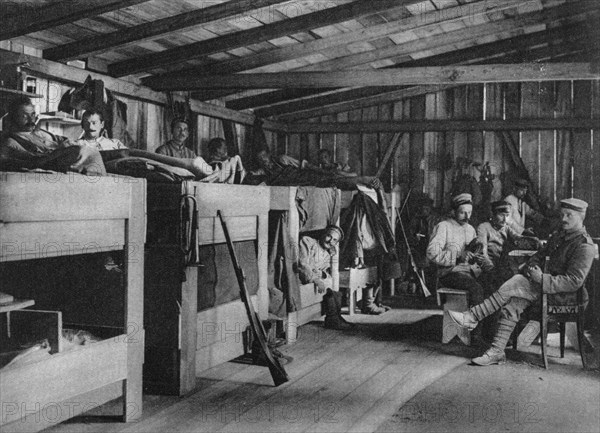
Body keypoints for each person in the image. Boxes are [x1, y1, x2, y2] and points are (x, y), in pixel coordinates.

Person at [448, 198, 595, 366]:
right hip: (544, 290)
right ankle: (496, 351)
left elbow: (574, 281)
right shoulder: (559, 236)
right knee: (513, 303)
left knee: (517, 281)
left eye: (569, 215)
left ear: (581, 217)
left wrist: (541, 278)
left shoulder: (584, 245)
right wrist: (531, 266)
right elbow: (538, 255)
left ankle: (473, 316)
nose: (563, 219)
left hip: (567, 297)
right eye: (562, 214)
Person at [426, 193, 486, 343]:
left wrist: (476, 257)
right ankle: (476, 335)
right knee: (476, 289)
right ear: (453, 211)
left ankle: (489, 332)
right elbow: (431, 253)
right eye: (462, 212)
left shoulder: (470, 229)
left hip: (468, 272)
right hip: (449, 273)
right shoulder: (443, 227)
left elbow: (471, 256)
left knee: (492, 284)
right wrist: (457, 256)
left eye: (470, 212)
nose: (467, 216)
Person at [0, 96, 106, 176]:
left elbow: (62, 139)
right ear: (13, 118)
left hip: (65, 152)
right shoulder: (11, 141)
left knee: (120, 154)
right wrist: (59, 150)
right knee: (82, 151)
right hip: (54, 159)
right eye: (24, 116)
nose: (31, 120)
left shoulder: (40, 132)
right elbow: (33, 161)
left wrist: (69, 143)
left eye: (32, 114)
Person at [476, 200, 539, 290]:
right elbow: (482, 254)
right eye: (501, 215)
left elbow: (518, 238)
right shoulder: (484, 227)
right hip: (486, 270)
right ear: (493, 215)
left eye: (507, 215)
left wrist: (533, 240)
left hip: (500, 269)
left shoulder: (505, 228)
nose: (505, 219)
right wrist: (493, 271)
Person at [298, 225, 350, 329]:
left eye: (334, 240)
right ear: (323, 234)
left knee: (332, 288)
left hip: (312, 277)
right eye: (329, 236)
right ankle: (333, 319)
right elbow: (302, 264)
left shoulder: (327, 253)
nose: (331, 241)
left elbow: (324, 270)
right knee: (328, 287)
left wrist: (322, 274)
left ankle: (335, 317)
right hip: (301, 276)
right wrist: (316, 279)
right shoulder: (308, 242)